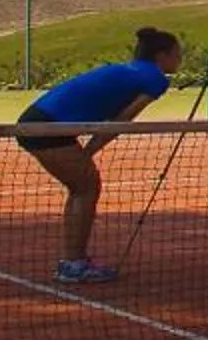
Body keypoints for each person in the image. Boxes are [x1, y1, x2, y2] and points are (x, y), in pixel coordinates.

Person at [15, 26, 185, 283]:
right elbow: (121, 121)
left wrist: (87, 151)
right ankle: (74, 264)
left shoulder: (128, 69)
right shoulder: (155, 79)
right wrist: (90, 151)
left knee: (82, 187)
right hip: (48, 126)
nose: (179, 60)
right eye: (176, 54)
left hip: (40, 121)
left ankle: (73, 261)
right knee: (86, 188)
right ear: (161, 56)